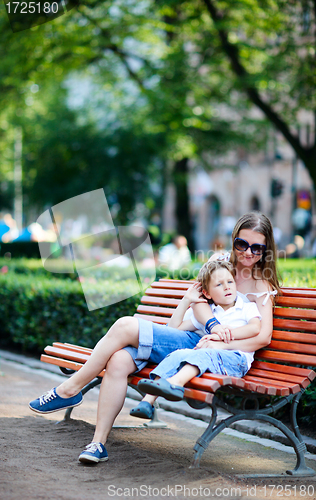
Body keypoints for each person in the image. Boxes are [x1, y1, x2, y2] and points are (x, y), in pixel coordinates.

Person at [29, 211, 280, 464]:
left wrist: (221, 342)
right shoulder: (220, 262)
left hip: (207, 350)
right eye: (242, 244)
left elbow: (262, 337)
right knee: (118, 356)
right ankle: (97, 442)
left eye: (257, 248)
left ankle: (72, 388)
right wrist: (214, 327)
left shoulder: (261, 285)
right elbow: (198, 300)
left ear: (267, 248)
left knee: (124, 331)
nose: (248, 252)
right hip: (193, 337)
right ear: (233, 239)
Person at [130, 260, 261, 415]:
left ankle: (175, 383)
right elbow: (174, 329)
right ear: (207, 293)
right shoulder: (208, 313)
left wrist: (225, 334)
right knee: (180, 353)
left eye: (230, 281)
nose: (227, 287)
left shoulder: (246, 307)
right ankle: (147, 402)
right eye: (219, 284)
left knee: (201, 353)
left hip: (236, 359)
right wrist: (186, 301)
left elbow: (255, 328)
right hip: (208, 355)